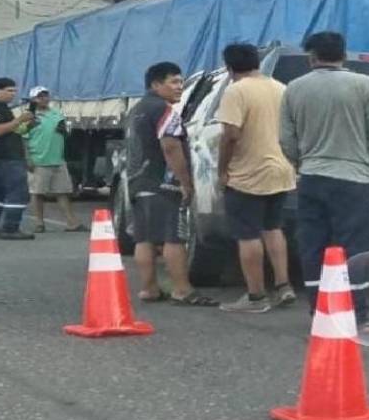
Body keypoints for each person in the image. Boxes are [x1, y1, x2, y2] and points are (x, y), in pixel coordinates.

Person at [280, 32, 369, 334]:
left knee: (312, 245)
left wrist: (302, 162)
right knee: (353, 246)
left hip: (312, 178)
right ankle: (359, 316)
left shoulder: (294, 88)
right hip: (353, 180)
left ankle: (319, 311)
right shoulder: (363, 85)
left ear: (312, 57)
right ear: (344, 54)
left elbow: (286, 139)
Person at [122, 62, 218, 307]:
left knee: (144, 238)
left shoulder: (137, 109)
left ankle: (149, 289)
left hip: (137, 182)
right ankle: (182, 290)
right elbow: (170, 146)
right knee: (172, 238)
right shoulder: (164, 111)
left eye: (180, 82)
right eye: (173, 82)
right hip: (162, 184)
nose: (179, 87)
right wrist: (185, 182)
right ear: (156, 85)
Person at [214, 44, 298, 313]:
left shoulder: (236, 90)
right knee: (273, 228)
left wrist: (222, 169)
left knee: (247, 234)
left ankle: (256, 296)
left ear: (228, 68)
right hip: (281, 169)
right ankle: (284, 286)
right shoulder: (281, 88)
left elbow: (230, 135)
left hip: (248, 173)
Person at [19, 87, 86, 234]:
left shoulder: (57, 114)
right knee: (37, 193)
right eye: (39, 97)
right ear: (33, 100)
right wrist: (27, 158)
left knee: (62, 192)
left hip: (57, 159)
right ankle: (39, 222)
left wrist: (64, 131)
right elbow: (22, 138)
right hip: (39, 159)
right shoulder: (30, 116)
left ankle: (71, 222)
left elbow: (64, 132)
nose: (43, 99)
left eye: (45, 96)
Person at [0, 78, 35, 240]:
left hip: (1, 158)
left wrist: (28, 125)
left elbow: (12, 131)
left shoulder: (3, 108)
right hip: (5, 158)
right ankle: (10, 228)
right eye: (9, 91)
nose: (13, 94)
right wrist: (19, 120)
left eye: (14, 91)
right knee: (18, 193)